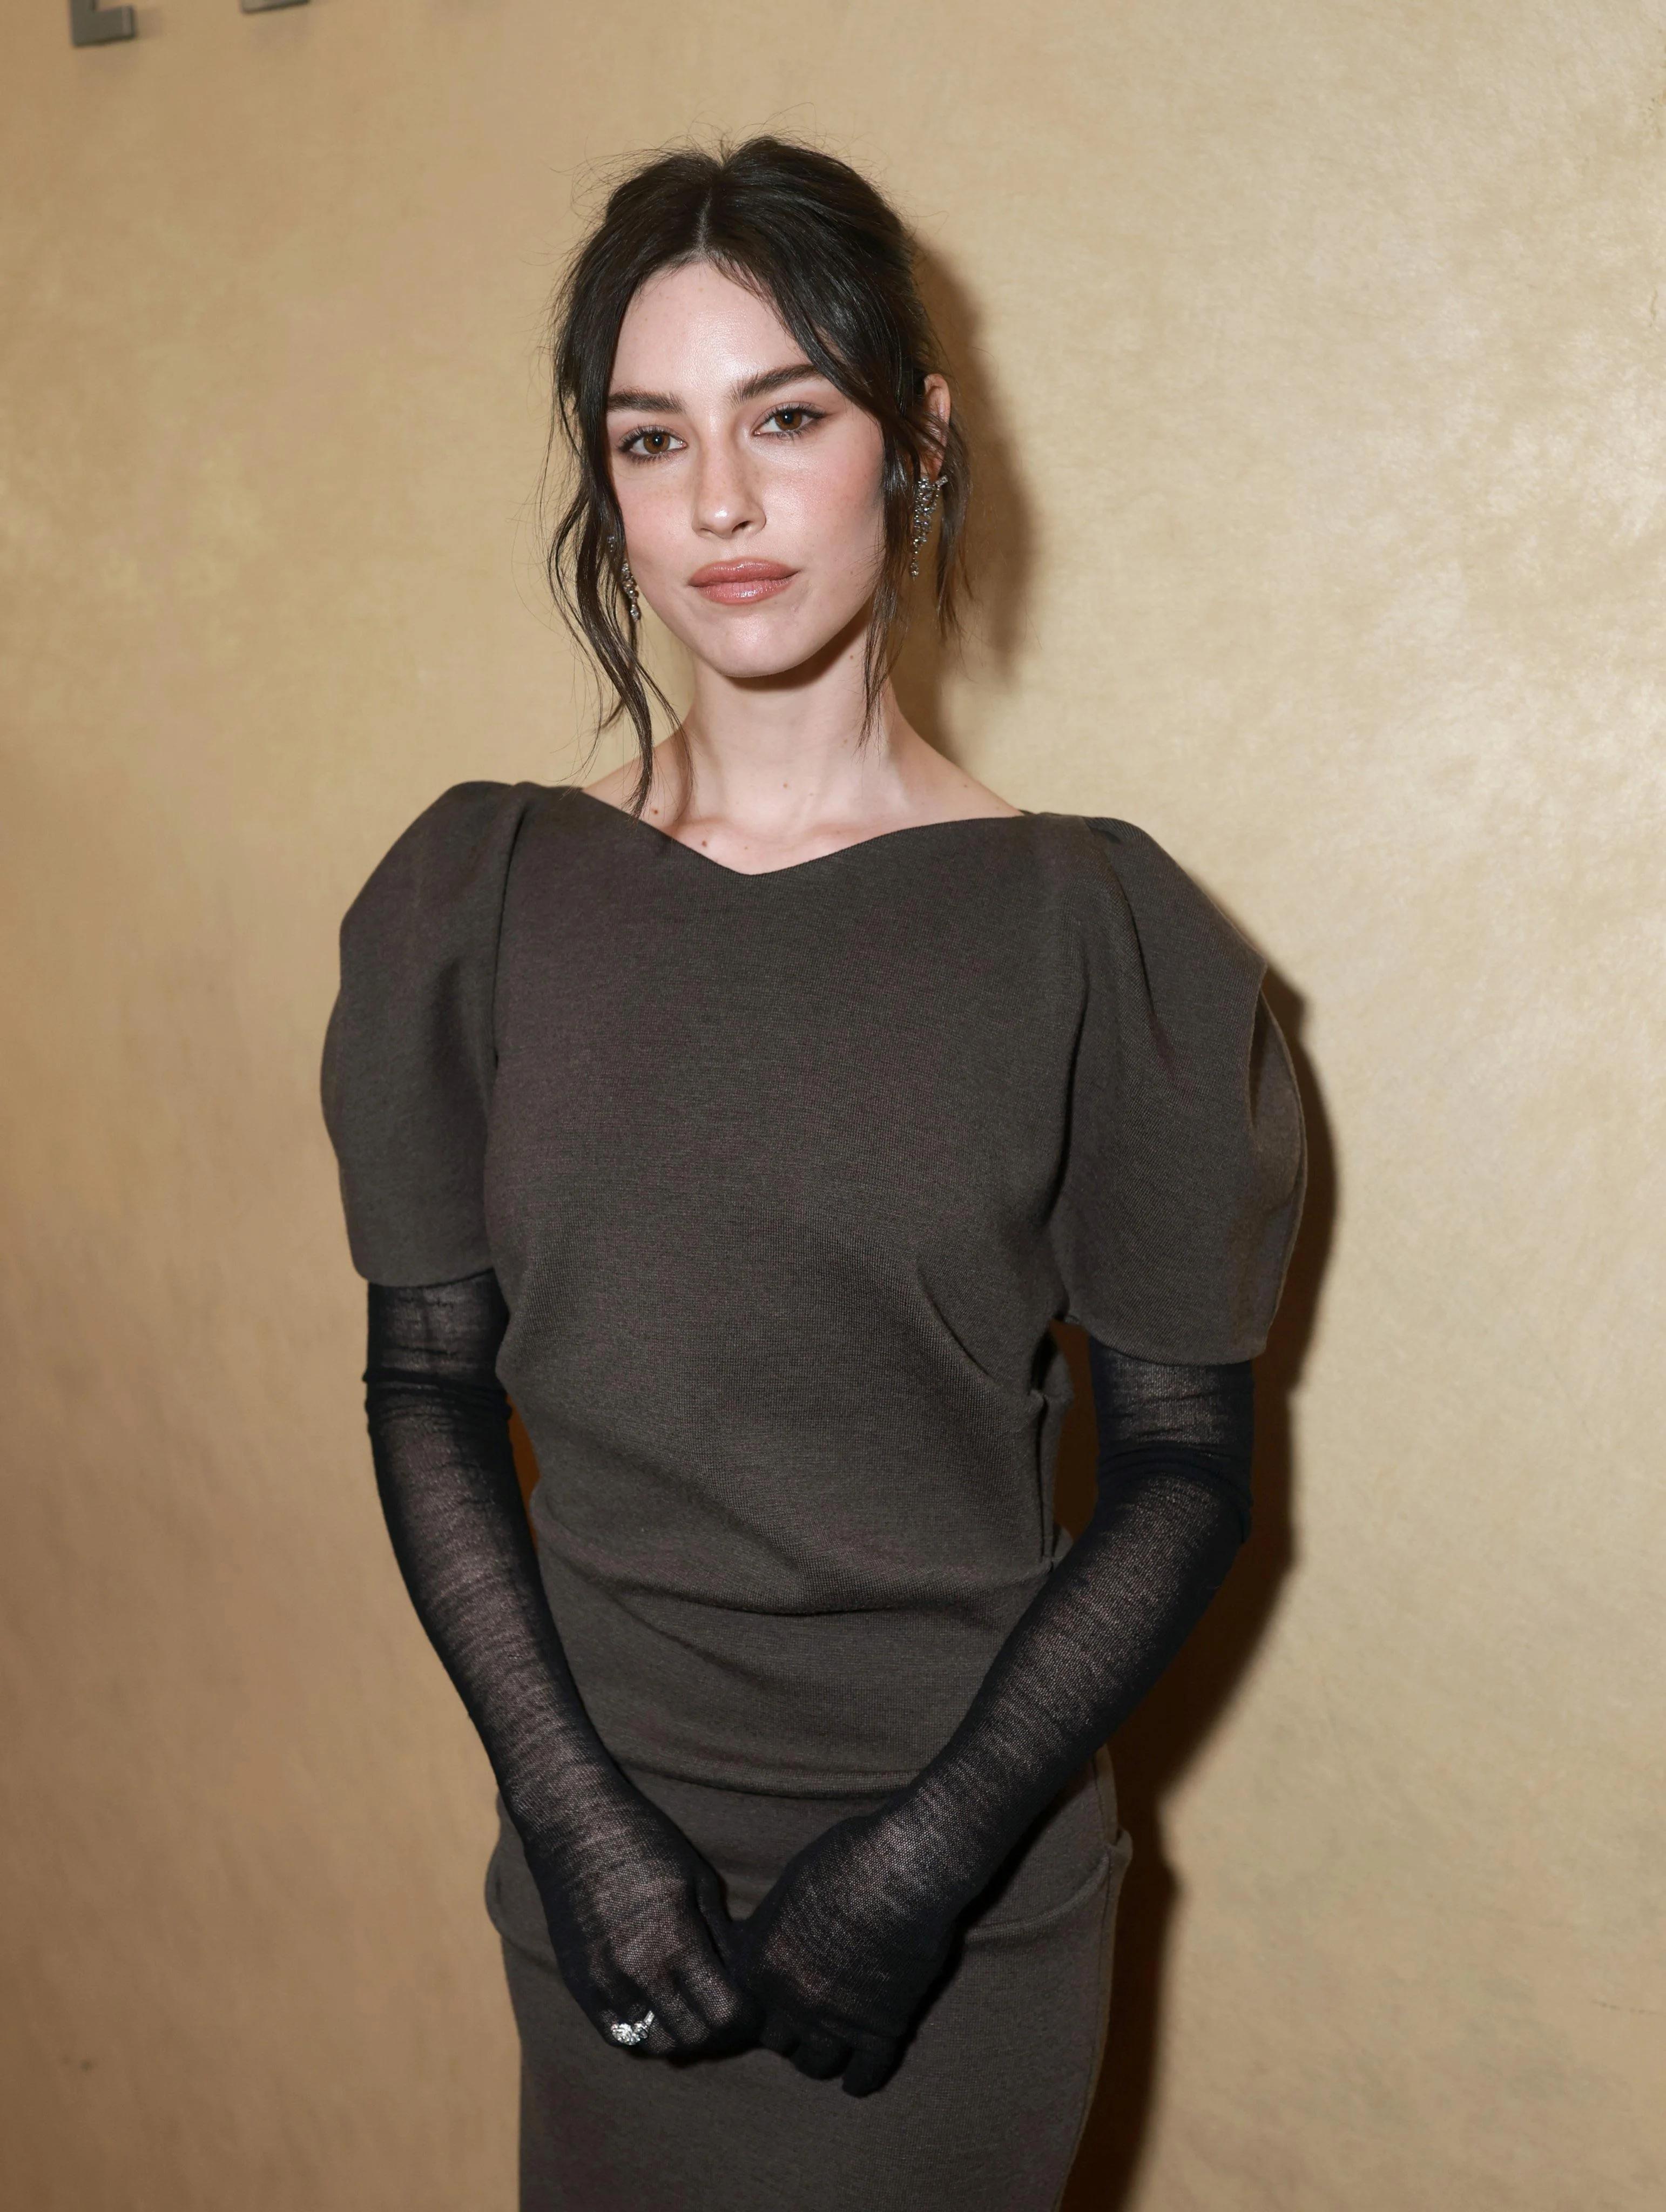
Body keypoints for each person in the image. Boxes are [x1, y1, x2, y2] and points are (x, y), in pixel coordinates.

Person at [320, 136, 1306, 2212]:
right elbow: (426, 1385)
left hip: (970, 1911)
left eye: (787, 417)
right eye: (652, 438)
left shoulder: (1099, 934)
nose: (722, 504)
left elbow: (1184, 1468)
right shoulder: (478, 900)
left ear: (915, 439)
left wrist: (934, 1854)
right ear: (604, 482)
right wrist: (570, 1811)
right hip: (604, 1890)